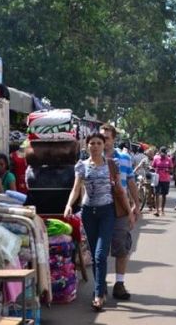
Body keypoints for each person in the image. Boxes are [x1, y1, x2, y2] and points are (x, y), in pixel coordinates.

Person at [63, 133, 131, 311]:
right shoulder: (82, 166)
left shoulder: (111, 164)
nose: (95, 146)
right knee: (94, 256)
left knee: (101, 254)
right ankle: (100, 289)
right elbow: (76, 188)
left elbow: (119, 190)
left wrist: (130, 211)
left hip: (107, 212)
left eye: (98, 143)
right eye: (91, 143)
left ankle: (99, 294)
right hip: (88, 213)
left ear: (104, 145)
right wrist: (69, 205)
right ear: (86, 146)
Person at [100, 123, 140, 300]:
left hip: (120, 209)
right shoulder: (91, 158)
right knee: (98, 251)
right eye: (101, 138)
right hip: (98, 209)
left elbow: (130, 182)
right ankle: (99, 286)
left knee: (121, 248)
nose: (103, 142)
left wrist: (136, 206)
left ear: (114, 139)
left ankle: (119, 284)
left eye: (106, 138)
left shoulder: (124, 158)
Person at [151, 146, 173, 216]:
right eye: (162, 152)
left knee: (164, 195)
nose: (163, 154)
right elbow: (152, 166)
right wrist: (154, 170)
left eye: (164, 153)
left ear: (166, 153)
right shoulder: (156, 158)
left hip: (166, 179)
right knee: (156, 194)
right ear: (160, 152)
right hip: (157, 179)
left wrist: (168, 170)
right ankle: (157, 210)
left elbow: (172, 170)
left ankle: (162, 210)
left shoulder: (169, 160)